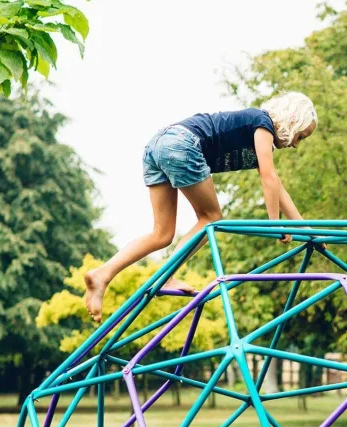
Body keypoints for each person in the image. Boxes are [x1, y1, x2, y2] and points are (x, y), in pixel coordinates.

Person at [83, 92, 317, 322]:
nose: (296, 145)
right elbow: (269, 177)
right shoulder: (263, 123)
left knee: (162, 234)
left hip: (158, 145)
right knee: (211, 218)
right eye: (301, 137)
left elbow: (278, 189)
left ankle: (102, 274)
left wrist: (307, 231)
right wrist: (275, 224)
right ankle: (167, 276)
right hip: (182, 144)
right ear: (293, 121)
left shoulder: (258, 132)